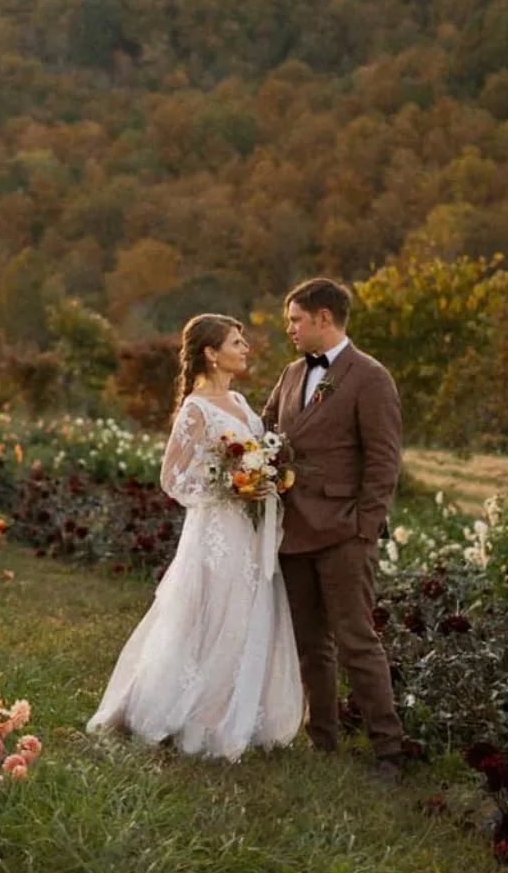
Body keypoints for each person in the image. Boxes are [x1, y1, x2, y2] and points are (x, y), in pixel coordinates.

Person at [87, 314, 303, 761]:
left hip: (246, 529)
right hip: (213, 529)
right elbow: (173, 478)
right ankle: (182, 713)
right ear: (211, 351)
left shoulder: (243, 404)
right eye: (236, 342)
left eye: (243, 342)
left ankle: (232, 708)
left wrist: (263, 480)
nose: (245, 349)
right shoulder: (196, 408)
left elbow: (257, 457)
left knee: (243, 616)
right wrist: (229, 487)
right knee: (207, 617)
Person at [262, 277, 405, 780]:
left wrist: (366, 527)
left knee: (356, 640)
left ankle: (389, 751)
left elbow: (385, 460)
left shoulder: (370, 377)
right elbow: (267, 436)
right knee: (310, 644)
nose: (291, 330)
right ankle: (322, 742)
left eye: (296, 320)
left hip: (345, 532)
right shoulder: (288, 374)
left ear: (325, 318)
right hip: (293, 530)